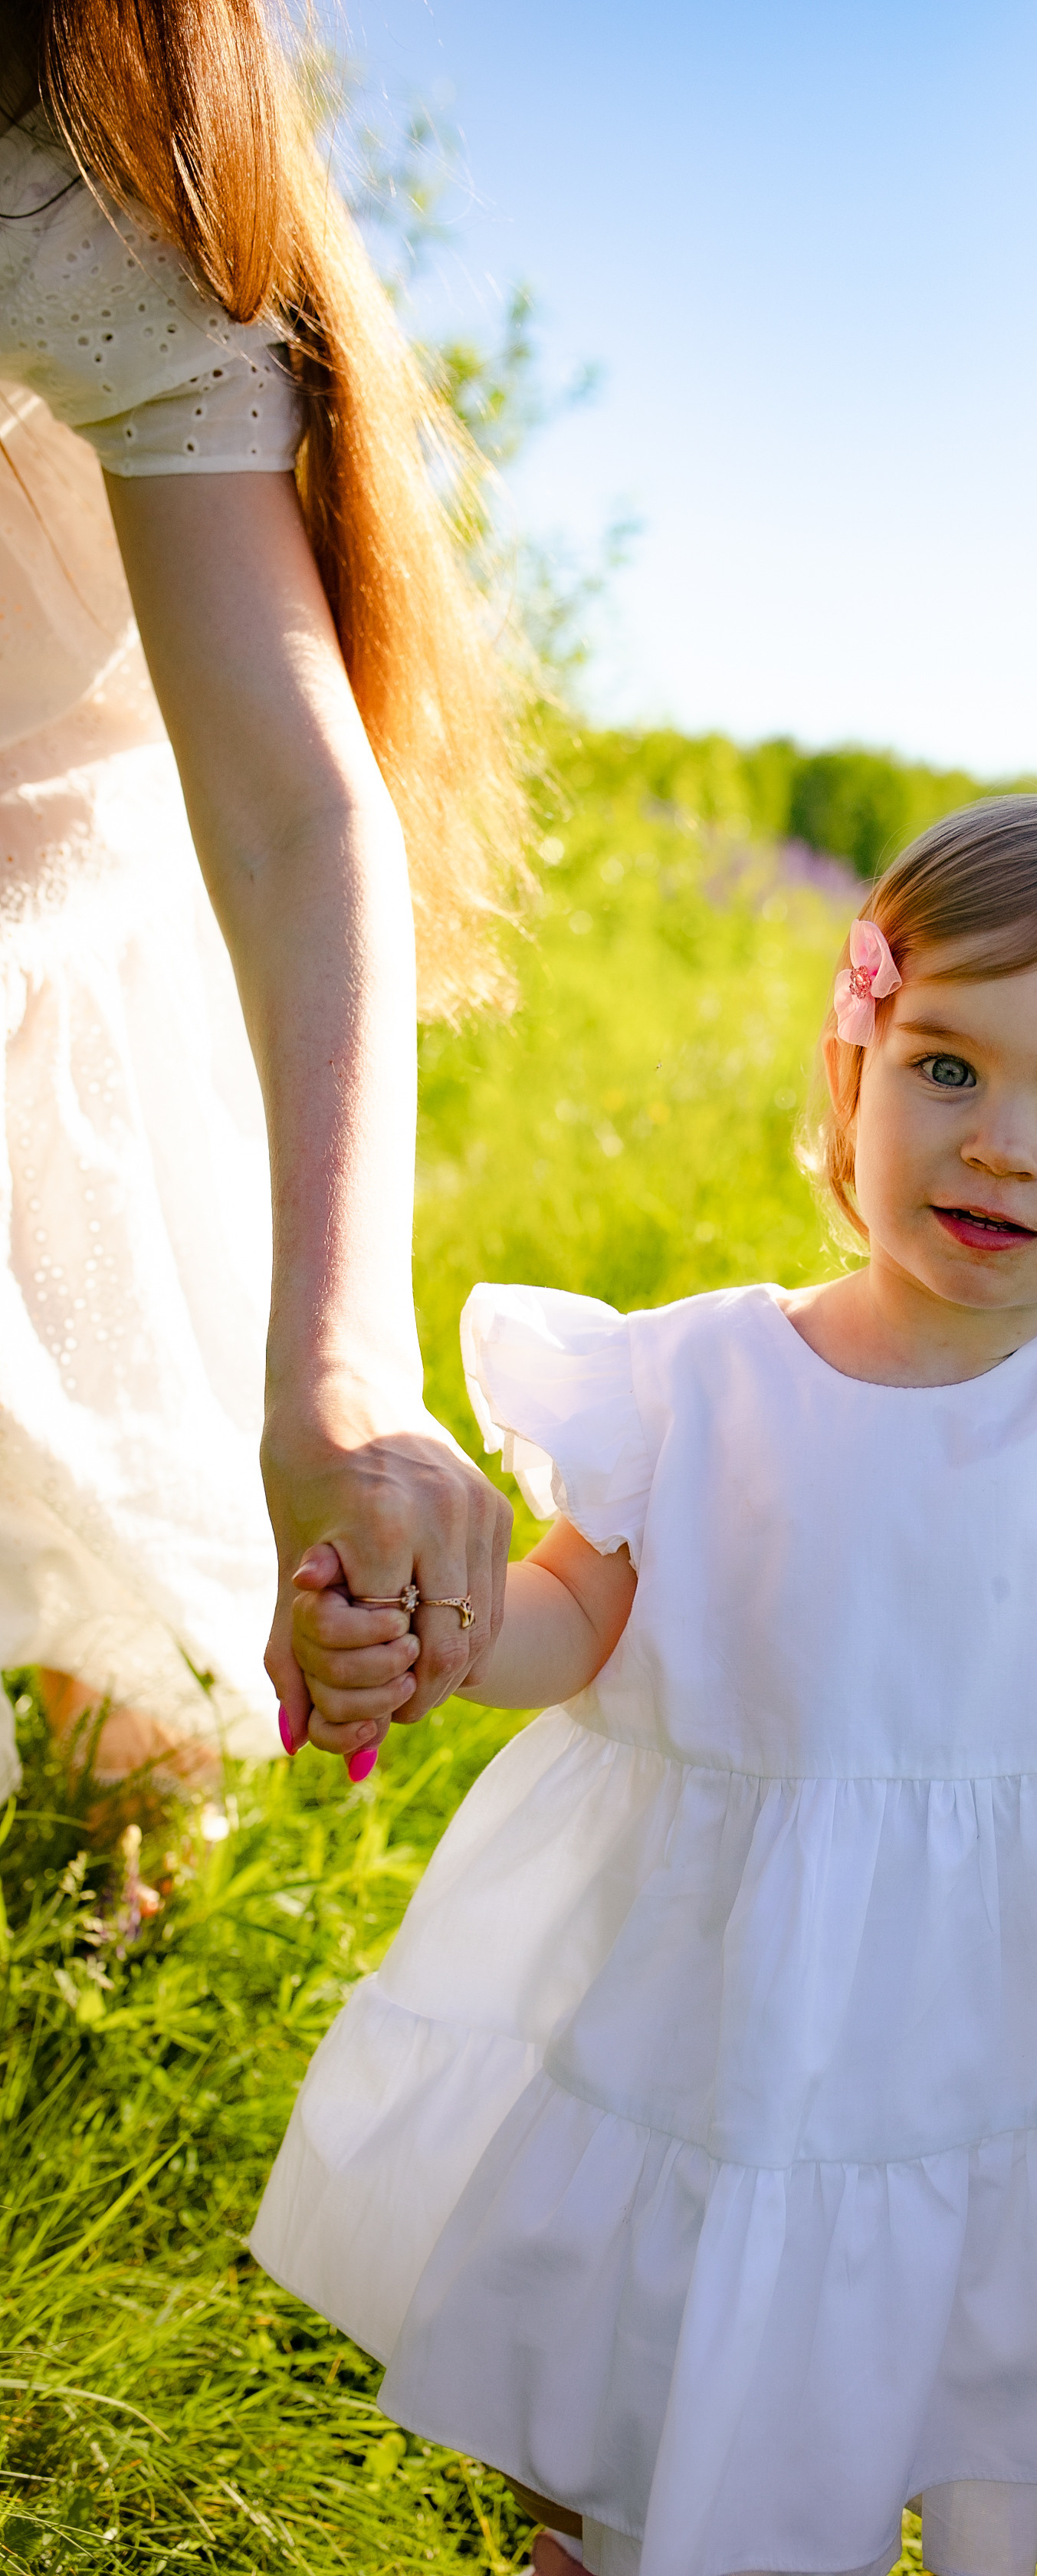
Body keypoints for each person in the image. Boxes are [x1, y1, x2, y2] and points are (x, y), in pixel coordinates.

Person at [254, 793, 1037, 2576]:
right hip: (739, 2010)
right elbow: (569, 1622)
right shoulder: (693, 1382)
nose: (1001, 1146)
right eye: (947, 1069)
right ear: (850, 1065)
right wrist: (434, 1638)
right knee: (682, 2363)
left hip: (1033, 2030)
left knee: (981, 2351)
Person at [0, 0, 517, 1797]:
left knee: (129, 1675)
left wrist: (347, 1375)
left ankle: (124, 1808)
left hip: (41, 840)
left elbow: (298, 815)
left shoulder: (78, 186)